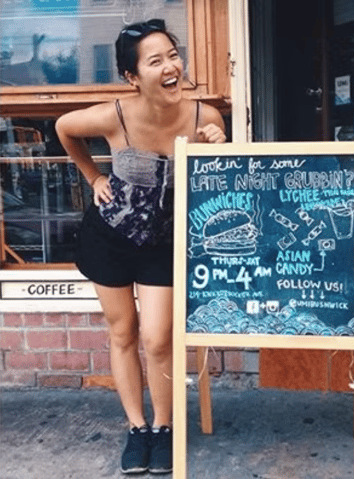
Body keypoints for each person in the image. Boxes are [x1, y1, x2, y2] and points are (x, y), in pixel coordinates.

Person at [56, 19, 226, 474]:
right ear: (133, 77)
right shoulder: (115, 114)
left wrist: (219, 146)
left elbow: (221, 185)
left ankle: (165, 426)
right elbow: (63, 127)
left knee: (157, 337)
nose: (171, 66)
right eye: (156, 61)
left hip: (165, 242)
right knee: (122, 333)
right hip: (109, 236)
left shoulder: (203, 117)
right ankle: (137, 429)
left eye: (173, 55)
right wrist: (93, 176)